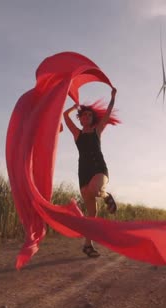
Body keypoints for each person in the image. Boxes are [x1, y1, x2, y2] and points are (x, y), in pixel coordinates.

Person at [63, 87, 118, 258]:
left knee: (96, 190)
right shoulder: (77, 134)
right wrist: (74, 107)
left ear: (92, 118)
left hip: (99, 168)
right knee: (91, 215)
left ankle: (107, 195)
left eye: (89, 115)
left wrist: (112, 97)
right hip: (84, 172)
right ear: (80, 119)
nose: (87, 117)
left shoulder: (97, 131)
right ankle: (88, 246)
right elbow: (65, 116)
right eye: (83, 115)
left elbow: (108, 114)